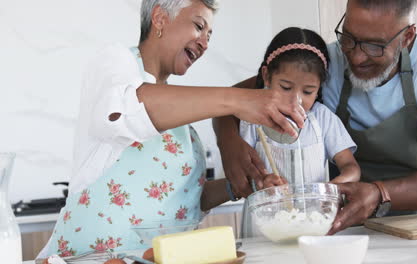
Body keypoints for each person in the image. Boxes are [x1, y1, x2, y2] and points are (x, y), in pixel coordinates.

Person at [38, 0, 303, 258]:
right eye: (199, 26)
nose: (205, 43)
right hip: (90, 258)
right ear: (160, 18)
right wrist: (237, 100)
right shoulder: (115, 63)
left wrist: (241, 186)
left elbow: (185, 202)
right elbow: (122, 112)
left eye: (210, 35)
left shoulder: (183, 124)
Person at [214, 0, 417, 236]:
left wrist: (379, 193)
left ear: (406, 37)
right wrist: (229, 144)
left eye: (374, 46)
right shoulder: (327, 62)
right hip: (360, 224)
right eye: (349, 38)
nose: (355, 57)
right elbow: (231, 100)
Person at [234, 27, 360, 237]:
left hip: (314, 229)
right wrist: (262, 181)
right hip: (263, 232)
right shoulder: (252, 120)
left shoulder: (323, 119)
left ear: (320, 87)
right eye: (285, 87)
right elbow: (243, 173)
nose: (296, 100)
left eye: (308, 91)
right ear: (267, 76)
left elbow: (352, 168)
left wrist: (330, 189)